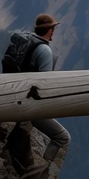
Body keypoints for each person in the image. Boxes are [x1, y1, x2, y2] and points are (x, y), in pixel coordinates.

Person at [27, 13, 72, 166]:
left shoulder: (28, 42)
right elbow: (44, 86)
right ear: (50, 30)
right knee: (63, 138)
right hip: (29, 106)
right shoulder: (44, 51)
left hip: (15, 98)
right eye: (53, 28)